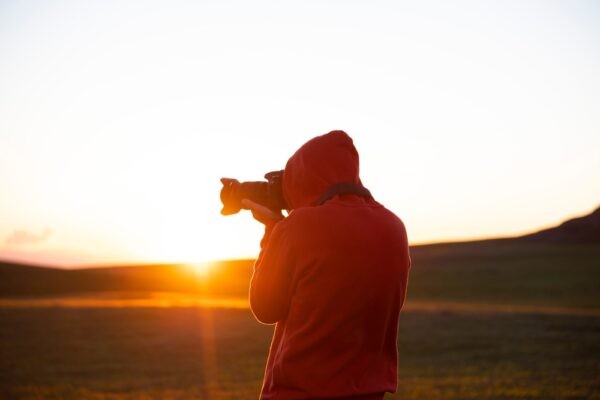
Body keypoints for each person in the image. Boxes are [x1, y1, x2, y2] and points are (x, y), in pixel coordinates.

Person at [243, 130, 411, 400]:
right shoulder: (394, 226)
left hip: (299, 392)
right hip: (369, 392)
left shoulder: (298, 226)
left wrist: (273, 230)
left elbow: (264, 306)